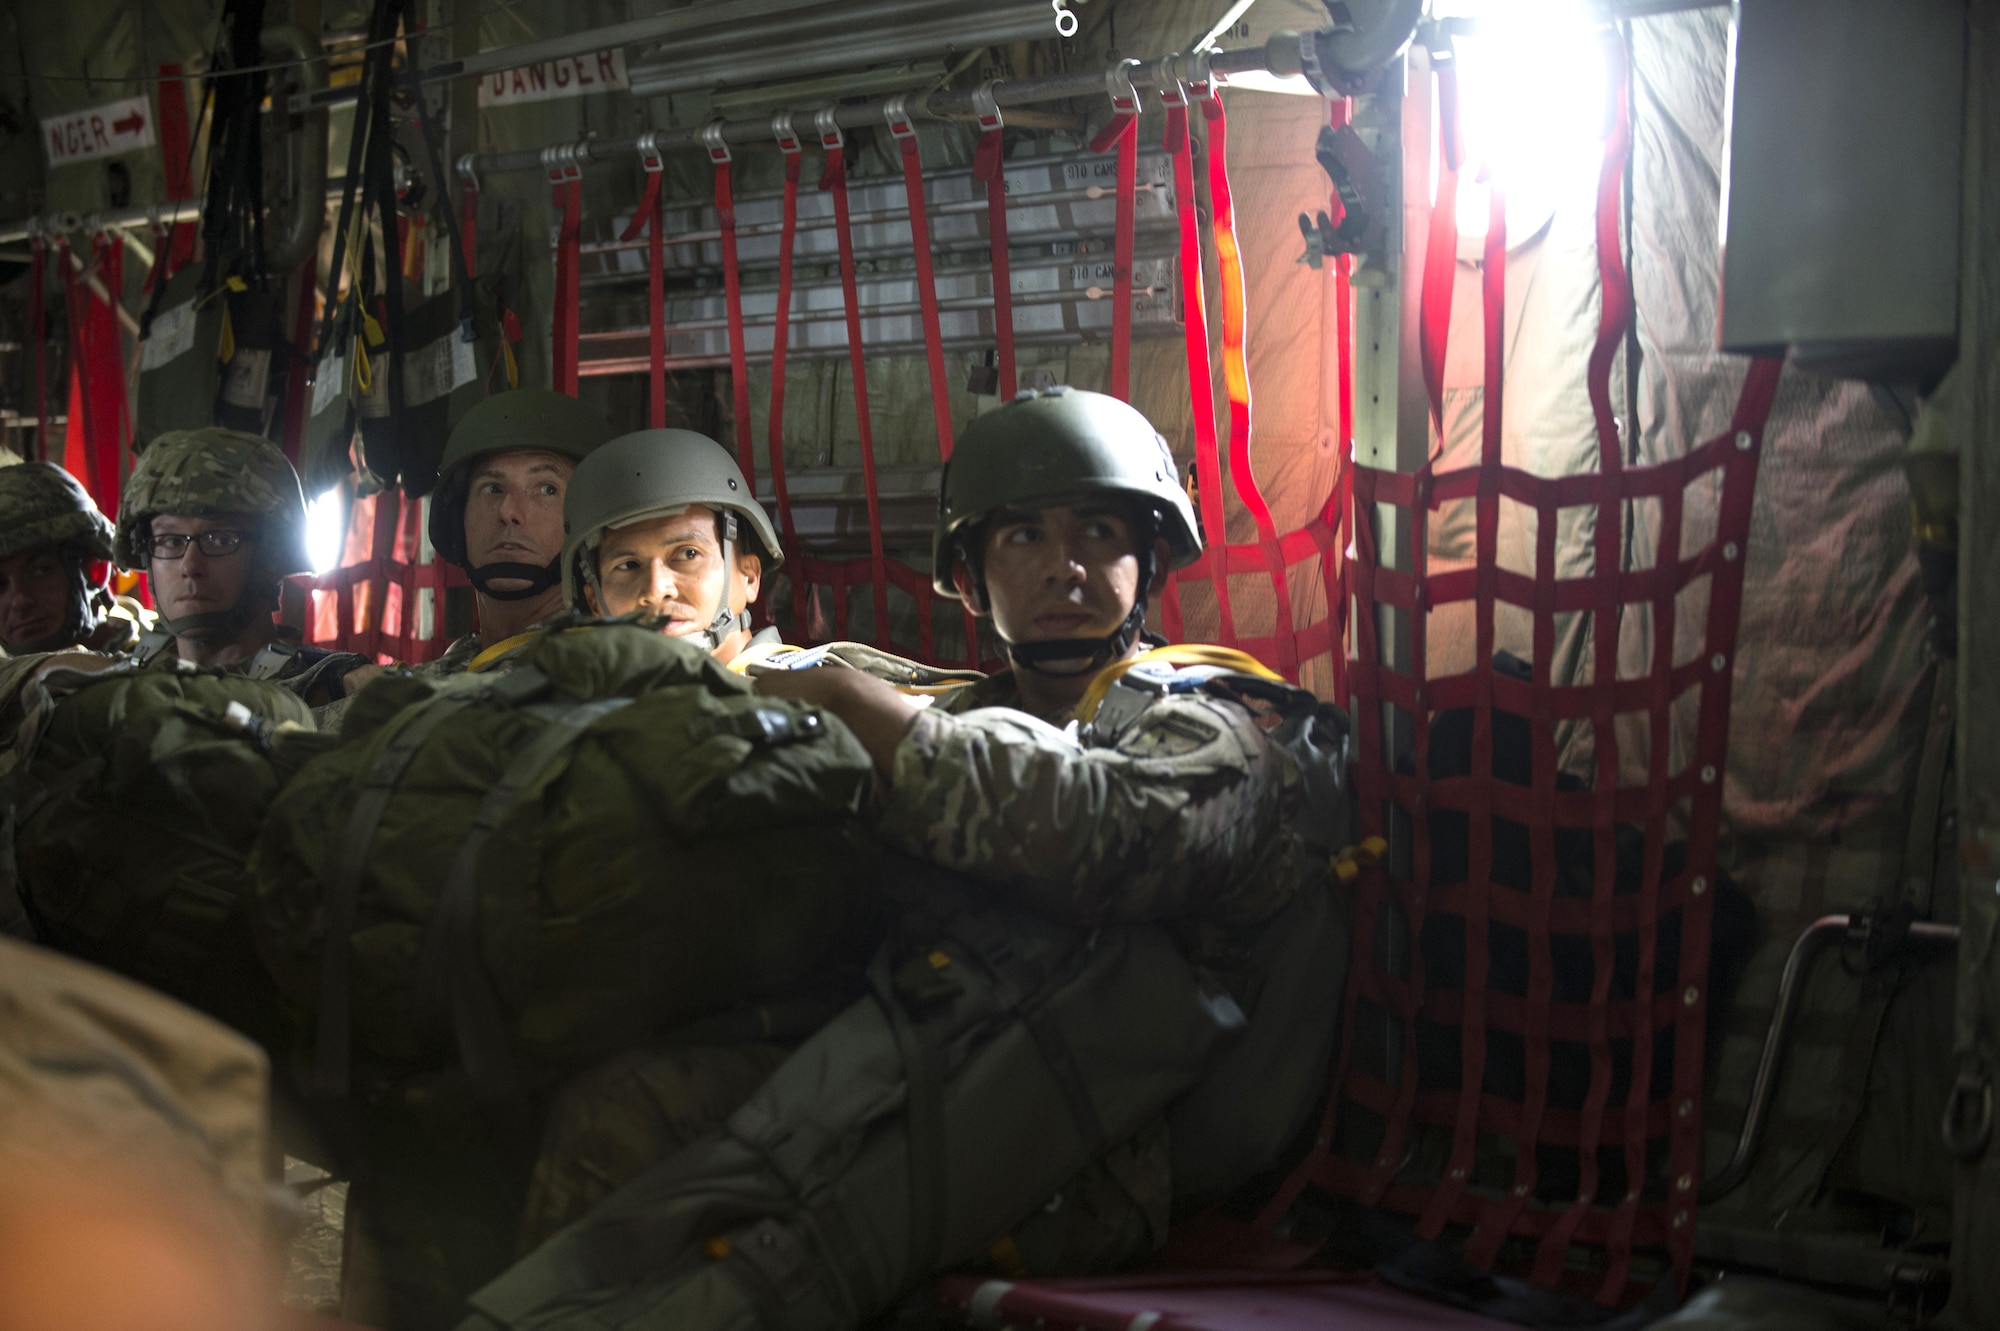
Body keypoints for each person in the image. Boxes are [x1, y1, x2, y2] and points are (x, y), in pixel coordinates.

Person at [466, 388, 1351, 1331]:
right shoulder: (982, 712)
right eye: (1022, 539)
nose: (1066, 568)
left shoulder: (1218, 718)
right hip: (947, 1060)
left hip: (1117, 1147)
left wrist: (874, 723)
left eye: (1098, 531)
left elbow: (1113, 832)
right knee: (624, 1107)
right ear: (971, 580)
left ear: (1155, 558)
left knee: (755, 1269)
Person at [116, 428, 373, 708]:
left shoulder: (333, 692)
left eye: (220, 539)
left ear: (271, 557)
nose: (190, 566)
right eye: (170, 541)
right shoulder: (121, 684)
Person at [422, 388, 616, 675]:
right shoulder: (466, 660)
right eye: (492, 489)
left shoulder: (590, 671)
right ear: (457, 518)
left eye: (546, 489)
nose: (508, 512)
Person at [557, 427, 781, 666]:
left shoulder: (810, 690)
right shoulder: (575, 697)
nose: (656, 590)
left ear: (749, 576)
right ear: (594, 603)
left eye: (688, 554)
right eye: (628, 566)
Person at [0, 463, 141, 657]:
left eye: (42, 570)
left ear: (96, 571)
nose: (19, 601)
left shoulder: (159, 678)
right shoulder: (11, 685)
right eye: (0, 585)